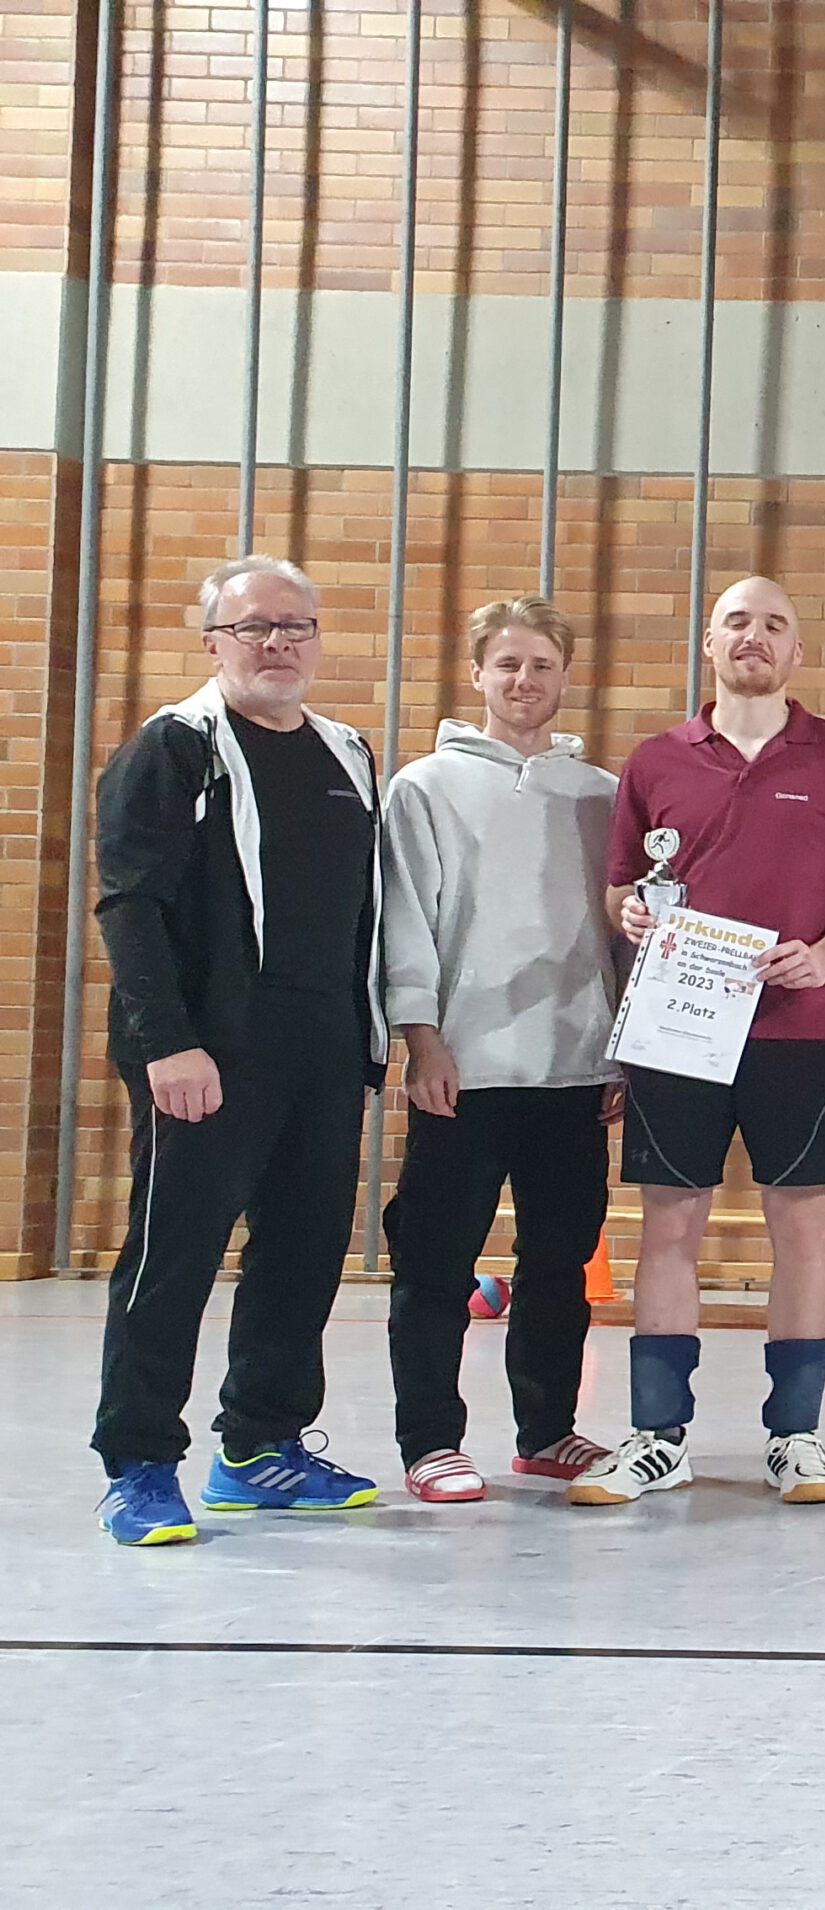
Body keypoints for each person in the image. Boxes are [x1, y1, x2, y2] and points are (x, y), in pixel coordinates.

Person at [569, 576, 825, 1508]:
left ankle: (795, 1437)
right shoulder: (656, 760)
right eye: (736, 623)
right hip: (680, 1031)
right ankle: (657, 1435)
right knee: (671, 1221)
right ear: (708, 645)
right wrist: (629, 911)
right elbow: (621, 888)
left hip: (798, 1028)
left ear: (799, 652)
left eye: (774, 625)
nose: (754, 637)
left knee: (802, 1225)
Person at [91, 554, 387, 1545]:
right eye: (255, 626)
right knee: (170, 1257)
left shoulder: (348, 751)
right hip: (205, 1055)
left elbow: (363, 916)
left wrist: (374, 1035)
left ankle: (260, 1447)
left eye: (295, 626)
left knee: (301, 1254)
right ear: (214, 640)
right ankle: (138, 1462)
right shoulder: (173, 749)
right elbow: (130, 908)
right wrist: (169, 1044)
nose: (277, 643)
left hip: (321, 1049)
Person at [379, 596, 621, 1503]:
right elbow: (407, 920)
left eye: (543, 666)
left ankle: (547, 1431)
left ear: (566, 677)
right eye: (508, 664)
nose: (525, 681)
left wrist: (619, 1050)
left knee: (561, 1260)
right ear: (477, 673)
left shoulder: (601, 795)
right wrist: (422, 1038)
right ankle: (430, 1440)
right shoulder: (425, 786)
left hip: (574, 1068)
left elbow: (622, 934)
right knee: (437, 1262)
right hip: (465, 1070)